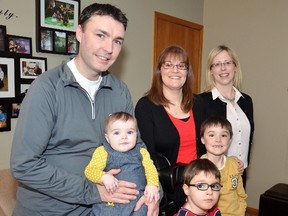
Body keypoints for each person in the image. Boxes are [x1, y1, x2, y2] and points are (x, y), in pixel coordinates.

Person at [10, 3, 158, 216]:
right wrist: (93, 192)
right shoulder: (46, 88)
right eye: (101, 35)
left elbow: (138, 147)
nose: (109, 48)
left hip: (105, 208)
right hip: (50, 211)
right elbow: (24, 165)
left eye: (117, 41)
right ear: (79, 33)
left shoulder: (119, 91)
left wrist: (153, 193)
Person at [135, 45, 197, 205]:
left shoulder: (199, 104)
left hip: (202, 186)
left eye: (181, 66)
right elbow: (147, 156)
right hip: (169, 192)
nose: (175, 70)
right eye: (168, 65)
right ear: (159, 71)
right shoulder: (146, 106)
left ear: (187, 72)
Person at [193, 45, 254, 187]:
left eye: (227, 63)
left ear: (235, 67)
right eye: (217, 64)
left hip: (239, 174)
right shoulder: (201, 102)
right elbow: (199, 143)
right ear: (211, 71)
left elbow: (247, 139)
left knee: (238, 208)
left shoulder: (247, 101)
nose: (223, 68)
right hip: (213, 175)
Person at [85, 112, 160, 215]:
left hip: (137, 201)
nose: (124, 137)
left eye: (129, 132)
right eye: (117, 133)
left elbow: (150, 169)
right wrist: (103, 177)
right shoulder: (103, 151)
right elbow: (90, 170)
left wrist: (152, 185)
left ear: (136, 134)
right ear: (107, 138)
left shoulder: (142, 152)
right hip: (111, 202)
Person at [200, 116, 247, 216]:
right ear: (203, 139)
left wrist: (241, 211)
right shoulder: (198, 169)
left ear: (230, 140)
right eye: (211, 135)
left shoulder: (235, 165)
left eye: (224, 135)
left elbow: (241, 194)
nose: (218, 140)